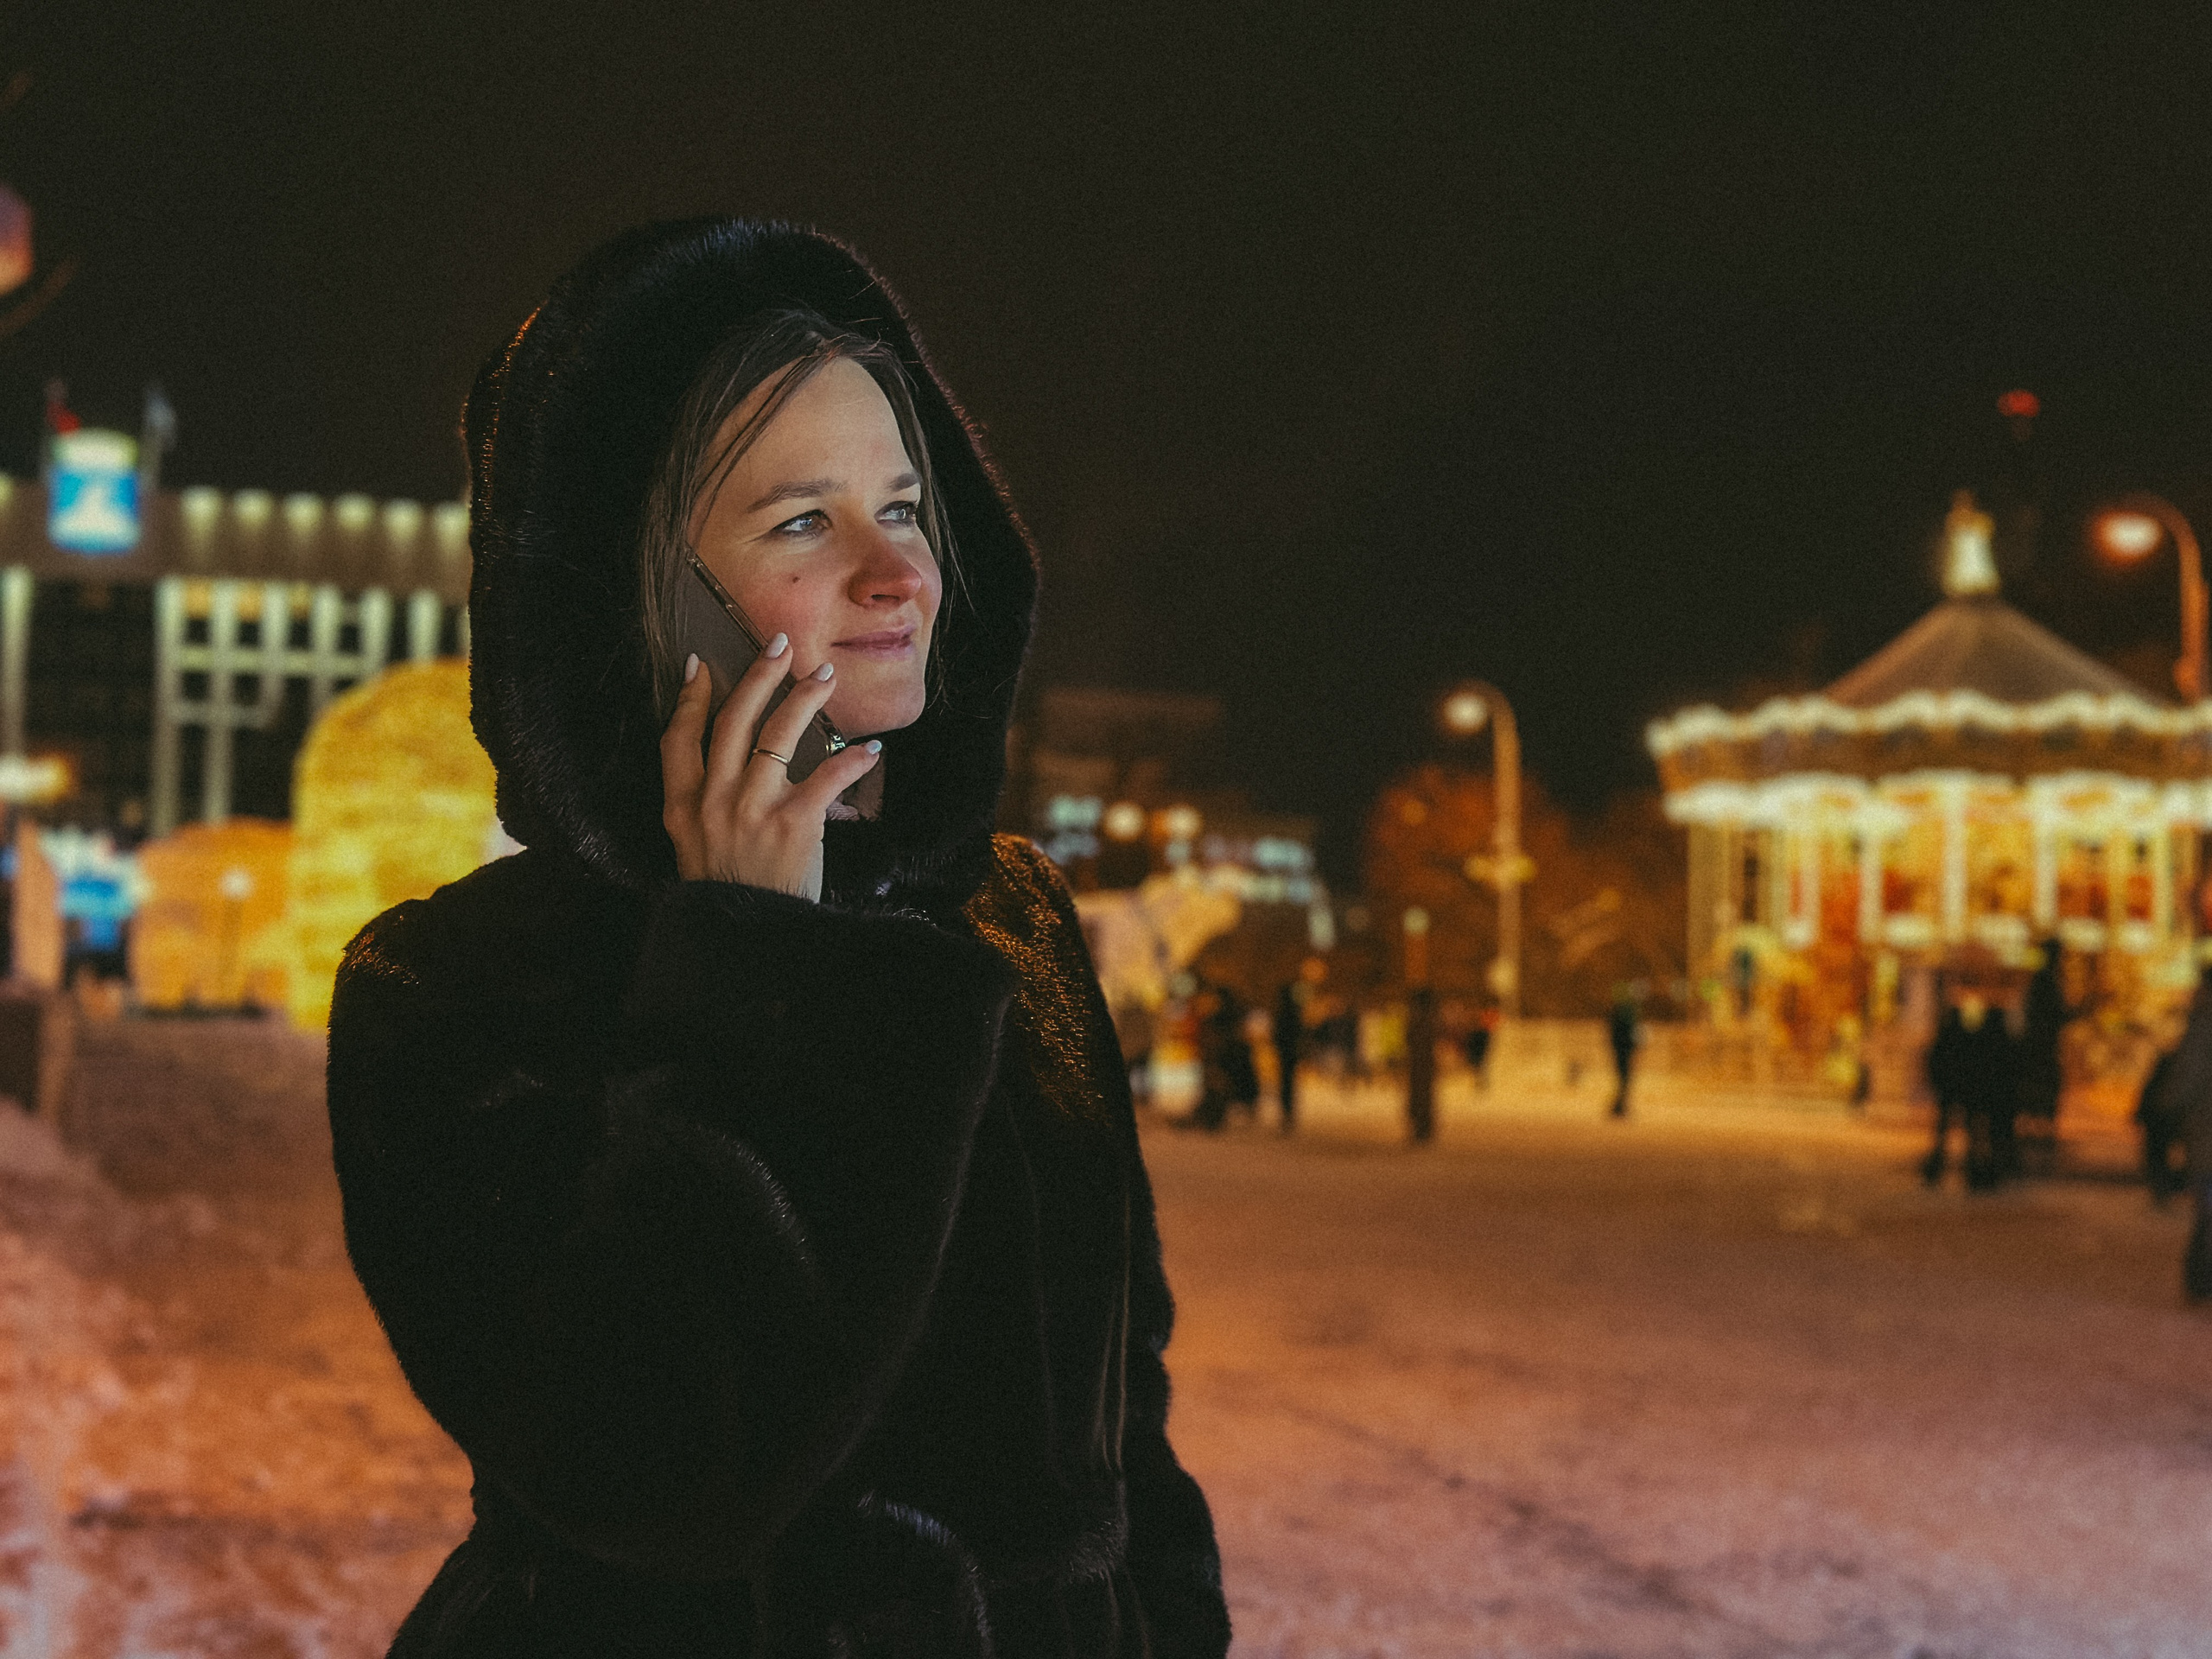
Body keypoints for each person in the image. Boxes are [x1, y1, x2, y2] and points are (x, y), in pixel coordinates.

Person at [327, 221, 1229, 1658]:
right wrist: (744, 960)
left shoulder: (1012, 921)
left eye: (908, 506)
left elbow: (1127, 1417)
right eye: (803, 521)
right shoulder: (458, 989)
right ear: (638, 593)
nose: (898, 573)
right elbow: (656, 1476)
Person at [1272, 979, 1304, 1134]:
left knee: (1285, 1083)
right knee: (1289, 1083)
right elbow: (1300, 1032)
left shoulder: (1281, 1011)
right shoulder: (1295, 1011)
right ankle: (1289, 1112)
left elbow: (1277, 1033)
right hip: (1291, 1051)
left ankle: (1286, 1113)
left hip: (1285, 1051)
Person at [1606, 987, 1639, 1119]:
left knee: (1623, 1079)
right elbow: (1631, 1033)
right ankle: (1619, 1106)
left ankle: (1619, 1106)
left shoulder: (1615, 1014)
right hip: (1625, 1050)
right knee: (1625, 1079)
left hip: (1620, 1050)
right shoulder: (1626, 1015)